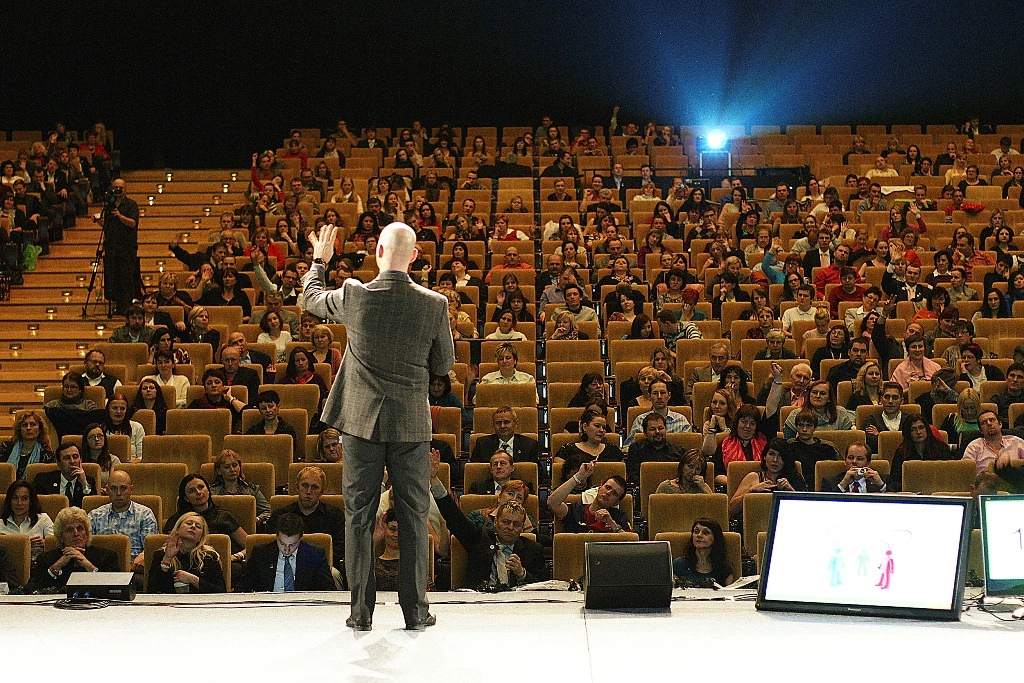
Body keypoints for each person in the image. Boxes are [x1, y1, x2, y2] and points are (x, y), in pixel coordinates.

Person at [302, 221, 454, 631]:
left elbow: (309, 297)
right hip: (410, 424)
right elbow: (443, 366)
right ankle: (417, 612)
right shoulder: (435, 303)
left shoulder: (354, 293)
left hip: (360, 424)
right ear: (416, 256)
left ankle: (360, 613)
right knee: (414, 514)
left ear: (379, 254)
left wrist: (320, 260)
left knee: (359, 516)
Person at [430, 472, 545, 590]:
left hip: (516, 604)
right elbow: (455, 518)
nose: (510, 527)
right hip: (478, 602)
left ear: (522, 528)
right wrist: (433, 479)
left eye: (516, 524)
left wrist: (522, 574)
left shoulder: (533, 550)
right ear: (495, 522)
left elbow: (544, 588)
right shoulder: (479, 539)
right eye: (505, 522)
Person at [267, 466, 346, 587]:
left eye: (314, 487)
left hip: (321, 566)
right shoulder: (280, 515)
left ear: (322, 491)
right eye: (305, 486)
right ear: (297, 487)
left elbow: (341, 548)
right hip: (285, 562)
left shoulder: (335, 515)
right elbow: (271, 545)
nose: (309, 492)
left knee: (333, 574)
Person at [237, 513, 334, 593]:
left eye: (292, 545)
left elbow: (329, 590)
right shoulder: (261, 554)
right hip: (268, 608)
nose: (286, 550)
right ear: (276, 536)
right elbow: (243, 587)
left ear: (301, 538)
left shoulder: (315, 554)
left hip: (303, 609)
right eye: (282, 543)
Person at [28, 507, 119, 592]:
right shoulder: (46, 559)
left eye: (80, 529)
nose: (76, 533)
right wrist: (56, 567)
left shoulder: (106, 557)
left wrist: (88, 565)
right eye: (69, 530)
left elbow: (117, 588)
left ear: (87, 534)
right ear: (61, 537)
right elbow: (29, 589)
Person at [163, 474, 247, 563]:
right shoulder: (177, 520)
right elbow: (167, 547)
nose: (198, 492)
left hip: (226, 564)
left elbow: (249, 544)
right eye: (192, 491)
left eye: (201, 487)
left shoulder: (223, 517)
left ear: (208, 489)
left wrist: (236, 556)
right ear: (186, 498)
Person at [88, 469, 158, 573]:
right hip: (101, 570)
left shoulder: (145, 514)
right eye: (113, 488)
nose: (118, 493)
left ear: (131, 489)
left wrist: (143, 556)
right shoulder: (95, 515)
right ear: (107, 490)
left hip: (134, 570)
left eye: (123, 488)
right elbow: (85, 546)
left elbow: (150, 548)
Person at [148, 512, 227, 593]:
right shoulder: (162, 554)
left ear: (201, 537)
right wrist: (167, 559)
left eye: (198, 526)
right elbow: (152, 590)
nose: (193, 526)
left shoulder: (209, 556)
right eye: (189, 523)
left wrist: (194, 580)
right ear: (177, 529)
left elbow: (221, 591)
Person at [729, 438, 805, 518]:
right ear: (764, 456)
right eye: (771, 454)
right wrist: (751, 491)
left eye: (780, 456)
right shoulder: (753, 477)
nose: (775, 460)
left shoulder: (795, 478)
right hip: (754, 524)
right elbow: (731, 511)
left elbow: (805, 513)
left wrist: (791, 491)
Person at [548, 460, 631, 533]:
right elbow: (552, 503)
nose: (608, 493)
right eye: (607, 487)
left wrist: (613, 525)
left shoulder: (618, 516)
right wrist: (579, 476)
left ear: (617, 502)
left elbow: (632, 542)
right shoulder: (577, 511)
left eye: (615, 493)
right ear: (599, 487)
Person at [97, 177, 140, 315]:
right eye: (115, 187)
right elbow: (107, 226)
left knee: (126, 278)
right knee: (113, 277)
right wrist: (98, 221)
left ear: (125, 189)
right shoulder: (109, 205)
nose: (118, 189)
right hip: (111, 246)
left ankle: (126, 307)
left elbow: (133, 223)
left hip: (127, 247)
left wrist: (120, 216)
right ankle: (116, 305)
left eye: (120, 187)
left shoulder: (131, 205)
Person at [554, 409, 624, 492]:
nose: (602, 430)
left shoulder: (613, 451)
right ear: (585, 427)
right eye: (597, 426)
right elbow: (563, 478)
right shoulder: (567, 451)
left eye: (604, 427)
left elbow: (621, 479)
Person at [889, 415, 954, 492]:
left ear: (927, 429)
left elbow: (950, 475)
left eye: (921, 427)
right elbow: (895, 480)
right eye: (913, 429)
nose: (918, 432)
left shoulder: (941, 448)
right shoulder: (901, 452)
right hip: (911, 494)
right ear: (908, 433)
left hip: (938, 491)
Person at [208, 448, 271, 527]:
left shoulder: (251, 489)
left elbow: (267, 511)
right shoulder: (211, 492)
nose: (232, 470)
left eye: (235, 465)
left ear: (240, 467)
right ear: (219, 471)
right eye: (227, 467)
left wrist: (256, 520)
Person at [623, 379, 692, 448]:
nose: (659, 397)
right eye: (655, 393)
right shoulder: (640, 420)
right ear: (649, 396)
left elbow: (689, 448)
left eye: (662, 393)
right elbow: (628, 447)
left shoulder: (681, 420)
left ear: (669, 395)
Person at [964, 411, 1024, 487]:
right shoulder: (974, 447)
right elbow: (966, 472)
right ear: (981, 431)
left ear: (1000, 424)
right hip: (985, 490)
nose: (989, 423)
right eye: (984, 423)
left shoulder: (1017, 442)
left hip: (1015, 489)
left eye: (992, 420)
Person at [672, 517, 735, 588]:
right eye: (696, 531)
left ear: (716, 538)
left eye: (706, 533)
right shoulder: (678, 565)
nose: (699, 535)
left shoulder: (724, 568)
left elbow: (729, 596)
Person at [0, 480, 53, 561]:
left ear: (30, 501)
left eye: (24, 498)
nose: (19, 503)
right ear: (9, 501)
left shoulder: (43, 519)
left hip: (38, 566)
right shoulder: (1, 524)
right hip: (8, 568)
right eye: (15, 498)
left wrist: (46, 544)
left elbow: (55, 545)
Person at [782, 380, 855, 438]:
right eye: (814, 392)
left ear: (829, 398)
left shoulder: (841, 413)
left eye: (822, 393)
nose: (818, 396)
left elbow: (848, 440)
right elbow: (787, 443)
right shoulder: (795, 414)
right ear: (809, 395)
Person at [469, 406, 540, 464]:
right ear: (493, 425)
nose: (502, 426)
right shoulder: (482, 444)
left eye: (506, 422)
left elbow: (536, 474)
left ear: (515, 423)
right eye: (498, 423)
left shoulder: (529, 445)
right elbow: (474, 471)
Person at [33, 442, 92, 507]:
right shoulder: (43, 480)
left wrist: (84, 484)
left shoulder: (88, 481)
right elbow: (36, 506)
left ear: (81, 460)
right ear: (58, 463)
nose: (72, 461)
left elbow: (91, 508)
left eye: (75, 457)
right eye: (67, 458)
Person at [861, 382, 914, 454]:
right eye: (887, 397)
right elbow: (871, 444)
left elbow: (914, 442)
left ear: (902, 401)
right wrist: (902, 438)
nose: (890, 401)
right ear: (881, 400)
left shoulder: (910, 419)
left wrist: (880, 436)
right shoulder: (871, 420)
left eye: (895, 398)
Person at [821, 443, 889, 493]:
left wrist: (881, 485)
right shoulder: (829, 482)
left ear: (868, 463)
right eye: (850, 458)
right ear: (845, 461)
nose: (854, 462)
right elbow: (826, 506)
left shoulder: (883, 480)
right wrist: (843, 485)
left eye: (859, 459)